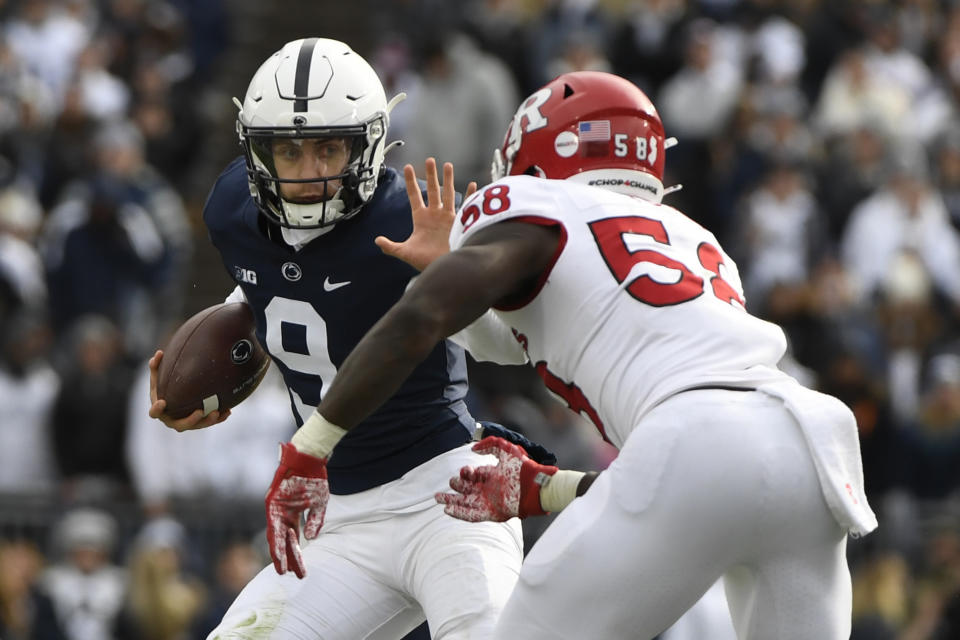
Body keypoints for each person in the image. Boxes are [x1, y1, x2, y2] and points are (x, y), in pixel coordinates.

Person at [279, 70, 880, 639]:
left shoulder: (536, 205)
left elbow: (423, 318)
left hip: (695, 439)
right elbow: (704, 470)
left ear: (535, 162)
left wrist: (312, 447)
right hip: (812, 449)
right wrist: (550, 488)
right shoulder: (697, 243)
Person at [147, 37, 553, 639]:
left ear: (368, 145)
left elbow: (508, 348)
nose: (310, 173)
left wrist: (447, 278)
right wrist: (221, 371)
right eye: (288, 151)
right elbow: (273, 295)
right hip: (332, 516)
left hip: (447, 497)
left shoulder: (410, 215)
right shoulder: (234, 209)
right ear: (258, 154)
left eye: (330, 149)